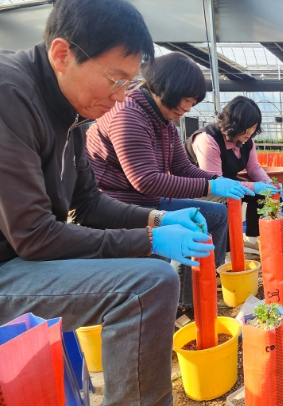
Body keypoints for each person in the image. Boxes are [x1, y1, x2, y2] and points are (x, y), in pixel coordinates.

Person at [0, 0, 215, 404]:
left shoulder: (73, 114)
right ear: (62, 54)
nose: (120, 97)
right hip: (11, 262)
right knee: (149, 284)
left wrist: (156, 218)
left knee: (157, 270)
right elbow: (34, 235)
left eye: (129, 83)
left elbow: (89, 205)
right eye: (115, 79)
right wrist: (150, 238)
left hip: (24, 254)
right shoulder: (10, 95)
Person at [87, 52, 252, 313]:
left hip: (147, 200)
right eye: (187, 100)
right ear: (168, 88)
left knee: (217, 214)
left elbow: (182, 167)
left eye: (193, 103)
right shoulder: (129, 115)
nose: (188, 108)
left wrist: (216, 180)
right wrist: (210, 187)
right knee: (183, 235)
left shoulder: (164, 120)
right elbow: (146, 180)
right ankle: (180, 301)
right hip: (119, 205)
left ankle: (201, 288)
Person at [185, 96, 279, 250]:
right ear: (234, 123)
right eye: (247, 127)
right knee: (231, 198)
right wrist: (254, 186)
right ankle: (227, 247)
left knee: (262, 195)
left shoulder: (246, 140)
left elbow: (253, 168)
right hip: (201, 186)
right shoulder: (207, 139)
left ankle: (253, 239)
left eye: (254, 127)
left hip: (224, 179)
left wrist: (268, 183)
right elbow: (215, 181)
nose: (251, 132)